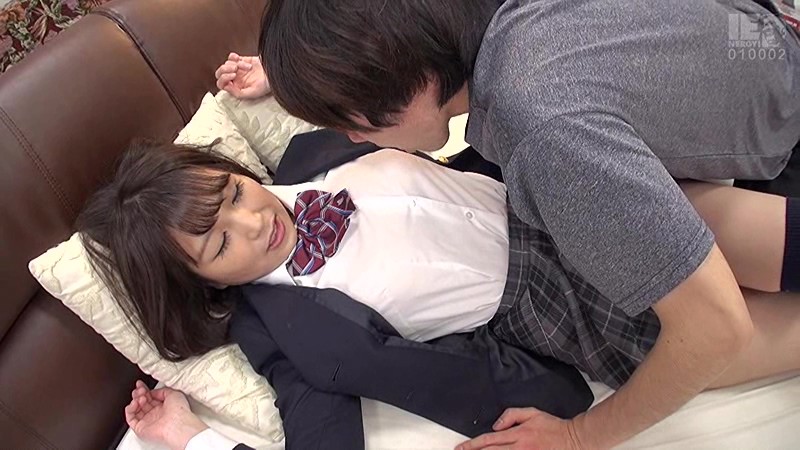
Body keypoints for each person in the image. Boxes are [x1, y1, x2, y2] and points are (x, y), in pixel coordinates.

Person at [214, 0, 800, 447]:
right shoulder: (486, 28)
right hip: (755, 33)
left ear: (396, 81)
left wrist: (579, 437)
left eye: (350, 120)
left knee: (680, 322)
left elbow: (716, 329)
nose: (352, 138)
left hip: (783, 102)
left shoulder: (541, 131)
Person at [90, 133, 800, 449]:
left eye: (235, 193)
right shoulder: (283, 332)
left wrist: (271, 74)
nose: (255, 222)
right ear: (200, 283)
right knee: (741, 336)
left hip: (556, 200)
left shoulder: (310, 152)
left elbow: (363, 75)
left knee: (776, 237)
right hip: (562, 310)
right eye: (219, 245)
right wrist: (188, 436)